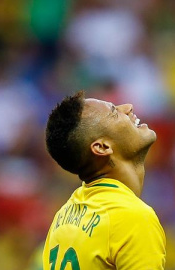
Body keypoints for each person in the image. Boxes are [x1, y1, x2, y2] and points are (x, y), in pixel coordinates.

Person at [42, 91, 166, 270]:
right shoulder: (132, 218)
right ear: (102, 147)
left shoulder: (62, 217)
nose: (128, 108)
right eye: (114, 113)